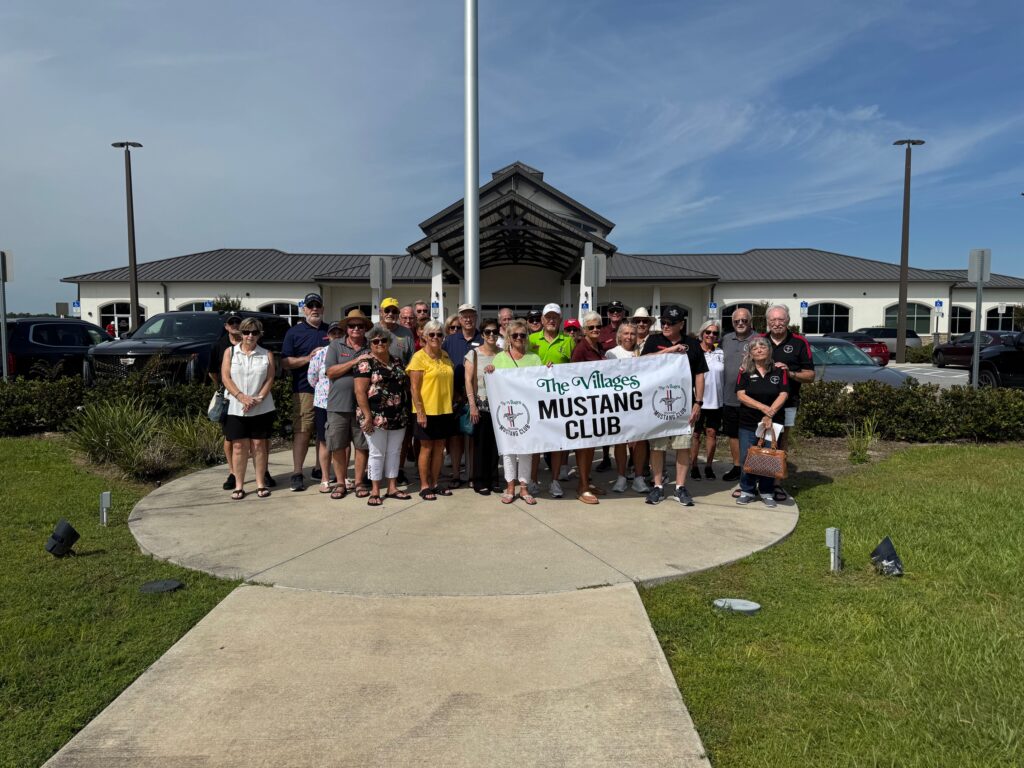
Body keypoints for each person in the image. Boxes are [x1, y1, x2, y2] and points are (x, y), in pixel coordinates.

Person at [640, 304, 707, 506]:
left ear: (681, 325)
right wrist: (670, 350)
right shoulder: (654, 340)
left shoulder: (692, 344)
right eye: (664, 322)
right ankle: (658, 486)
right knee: (657, 447)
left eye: (671, 323)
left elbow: (700, 374)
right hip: (657, 404)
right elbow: (643, 361)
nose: (666, 326)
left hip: (683, 404)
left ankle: (680, 487)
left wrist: (698, 403)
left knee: (683, 446)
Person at [761, 304, 814, 501]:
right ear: (767, 322)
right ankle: (757, 480)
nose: (777, 323)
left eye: (781, 319)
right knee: (758, 439)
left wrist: (790, 373)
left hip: (788, 401)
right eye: (773, 320)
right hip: (760, 402)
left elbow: (810, 375)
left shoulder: (799, 342)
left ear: (788, 321)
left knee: (781, 441)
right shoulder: (759, 340)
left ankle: (775, 483)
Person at [354, 325, 412, 506]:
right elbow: (360, 392)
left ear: (389, 342)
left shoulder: (397, 361)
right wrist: (367, 417)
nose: (380, 343)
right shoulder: (365, 363)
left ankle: (392, 487)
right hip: (374, 416)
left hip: (398, 415)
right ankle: (375, 490)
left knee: (394, 452)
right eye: (375, 341)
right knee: (376, 453)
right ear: (370, 344)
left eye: (383, 340)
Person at [488, 319, 542, 504]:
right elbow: (493, 382)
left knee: (526, 450)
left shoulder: (534, 358)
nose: (519, 338)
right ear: (508, 338)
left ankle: (524, 487)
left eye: (522, 335)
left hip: (528, 411)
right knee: (509, 450)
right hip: (507, 410)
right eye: (515, 335)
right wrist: (490, 370)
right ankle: (510, 487)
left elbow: (540, 382)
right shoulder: (499, 358)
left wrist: (548, 370)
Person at [221, 318, 276, 500]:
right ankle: (239, 485)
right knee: (238, 446)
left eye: (254, 332)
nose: (250, 336)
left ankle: (260, 483)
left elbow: (270, 379)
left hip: (261, 407)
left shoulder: (266, 354)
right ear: (241, 333)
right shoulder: (230, 352)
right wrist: (241, 397)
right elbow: (226, 377)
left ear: (260, 334)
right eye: (246, 332)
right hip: (236, 407)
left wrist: (257, 399)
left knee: (259, 445)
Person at [280, 292, 328, 491]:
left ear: (322, 308)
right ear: (304, 309)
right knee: (303, 430)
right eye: (310, 306)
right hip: (304, 389)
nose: (314, 309)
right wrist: (309, 358)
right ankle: (297, 472)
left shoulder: (330, 330)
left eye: (317, 305)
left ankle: (319, 468)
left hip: (328, 391)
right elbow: (285, 362)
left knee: (323, 431)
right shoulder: (294, 332)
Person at [528, 302, 575, 497]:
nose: (551, 320)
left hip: (559, 399)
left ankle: (555, 481)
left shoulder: (568, 340)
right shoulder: (530, 339)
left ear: (560, 320)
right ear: (542, 319)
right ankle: (532, 480)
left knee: (556, 443)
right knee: (536, 444)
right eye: (548, 317)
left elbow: (575, 369)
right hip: (535, 398)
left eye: (555, 317)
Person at [325, 309, 373, 500]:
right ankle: (340, 482)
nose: (356, 329)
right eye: (352, 326)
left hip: (364, 406)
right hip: (338, 405)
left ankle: (359, 482)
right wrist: (355, 361)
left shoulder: (371, 346)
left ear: (365, 328)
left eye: (360, 326)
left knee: (362, 446)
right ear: (346, 328)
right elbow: (330, 372)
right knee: (338, 445)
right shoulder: (336, 345)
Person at [735, 337, 788, 508]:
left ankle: (766, 491)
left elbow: (784, 393)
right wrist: (764, 408)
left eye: (762, 346)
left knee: (768, 456)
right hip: (749, 422)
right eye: (754, 348)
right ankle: (747, 490)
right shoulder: (744, 371)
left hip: (773, 422)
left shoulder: (779, 370)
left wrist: (770, 413)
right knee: (747, 456)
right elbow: (741, 395)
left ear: (769, 350)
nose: (759, 350)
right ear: (750, 353)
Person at [407, 320, 456, 500]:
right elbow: (414, 388)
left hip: (444, 410)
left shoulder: (445, 355)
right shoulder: (418, 357)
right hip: (426, 411)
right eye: (432, 334)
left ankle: (435, 482)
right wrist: (420, 412)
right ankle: (424, 485)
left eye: (439, 334)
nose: (436, 337)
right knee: (426, 448)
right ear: (425, 336)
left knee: (440, 448)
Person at [605, 322, 650, 495]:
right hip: (618, 403)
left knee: (640, 440)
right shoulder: (611, 353)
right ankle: (621, 477)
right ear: (619, 335)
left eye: (632, 333)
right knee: (620, 441)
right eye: (626, 333)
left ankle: (638, 477)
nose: (629, 337)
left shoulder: (643, 352)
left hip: (639, 402)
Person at [442, 303, 483, 488]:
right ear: (459, 319)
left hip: (477, 395)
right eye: (464, 316)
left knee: (473, 437)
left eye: (471, 316)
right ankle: (456, 474)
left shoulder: (482, 338)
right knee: (456, 437)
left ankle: (473, 474)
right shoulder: (450, 340)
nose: (468, 319)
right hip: (455, 396)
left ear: (476, 318)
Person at [570, 311, 609, 504]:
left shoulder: (599, 347)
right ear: (584, 330)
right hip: (583, 405)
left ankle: (587, 482)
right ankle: (582, 487)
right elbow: (572, 376)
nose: (595, 329)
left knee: (592, 445)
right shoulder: (580, 349)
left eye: (598, 326)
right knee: (583, 447)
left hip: (597, 404)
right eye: (591, 327)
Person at [719, 307, 757, 485]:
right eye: (737, 321)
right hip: (729, 396)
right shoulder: (726, 339)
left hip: (751, 398)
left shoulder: (758, 339)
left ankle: (751, 469)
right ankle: (737, 466)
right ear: (732, 323)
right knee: (733, 434)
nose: (740, 323)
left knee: (751, 435)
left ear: (750, 321)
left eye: (744, 320)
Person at [307, 321, 344, 492]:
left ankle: (342, 477)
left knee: (343, 442)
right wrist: (325, 390)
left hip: (343, 402)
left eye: (339, 333)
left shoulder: (347, 353)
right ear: (328, 336)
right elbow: (312, 378)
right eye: (333, 333)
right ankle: (325, 477)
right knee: (324, 441)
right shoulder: (320, 354)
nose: (336, 336)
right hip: (323, 402)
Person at [465, 317, 501, 495]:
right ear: (483, 334)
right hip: (481, 405)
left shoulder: (503, 354)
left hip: (499, 406)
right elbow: (468, 381)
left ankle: (494, 479)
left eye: (495, 331)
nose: (492, 335)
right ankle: (479, 480)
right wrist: (472, 405)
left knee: (496, 445)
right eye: (488, 332)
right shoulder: (473, 354)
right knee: (480, 445)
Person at [689, 320, 725, 481]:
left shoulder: (721, 353)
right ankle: (694, 466)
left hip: (716, 400)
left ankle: (709, 466)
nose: (711, 335)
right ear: (702, 333)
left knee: (712, 433)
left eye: (715, 333)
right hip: (697, 400)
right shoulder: (694, 351)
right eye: (708, 332)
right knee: (695, 434)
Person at [379, 297, 413, 365]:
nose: (390, 314)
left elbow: (412, 360)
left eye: (394, 311)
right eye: (387, 310)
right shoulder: (371, 330)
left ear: (398, 314)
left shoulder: (407, 333)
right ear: (381, 312)